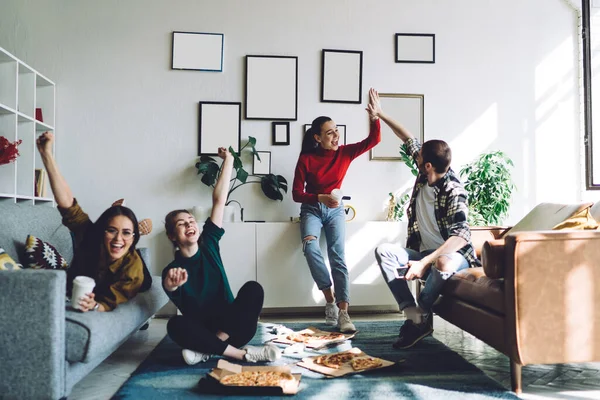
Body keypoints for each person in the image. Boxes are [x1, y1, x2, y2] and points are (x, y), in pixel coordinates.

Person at [369, 89, 481, 349]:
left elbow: (460, 235)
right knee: (384, 251)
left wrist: (424, 264)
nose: (415, 156)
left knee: (441, 261)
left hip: (455, 258)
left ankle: (422, 314)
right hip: (423, 251)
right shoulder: (426, 172)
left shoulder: (454, 190)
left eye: (419, 158)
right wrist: (380, 114)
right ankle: (413, 313)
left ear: (427, 165)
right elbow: (407, 136)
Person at [162, 147, 281, 365]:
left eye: (191, 220)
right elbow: (170, 288)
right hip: (200, 330)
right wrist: (170, 286)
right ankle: (242, 355)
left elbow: (219, 200)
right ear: (172, 236)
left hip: (234, 328)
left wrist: (228, 160)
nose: (189, 224)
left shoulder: (209, 243)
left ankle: (208, 350)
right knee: (174, 326)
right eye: (181, 224)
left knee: (253, 289)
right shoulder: (173, 271)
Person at [292, 88, 382, 333]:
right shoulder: (306, 159)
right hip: (311, 209)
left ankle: (344, 313)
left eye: (336, 130)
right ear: (317, 138)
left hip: (336, 210)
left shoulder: (344, 153)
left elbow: (373, 141)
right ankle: (330, 301)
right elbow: (296, 194)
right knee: (310, 247)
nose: (336, 135)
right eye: (330, 132)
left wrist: (374, 117)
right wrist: (320, 196)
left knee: (337, 255)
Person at [36, 132, 151, 312]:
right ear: (101, 231)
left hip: (133, 279)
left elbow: (111, 301)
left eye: (126, 232)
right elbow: (67, 203)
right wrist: (46, 154)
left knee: (130, 258)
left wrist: (96, 305)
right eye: (111, 230)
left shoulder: (133, 269)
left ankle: (129, 232)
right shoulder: (91, 235)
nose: (117, 238)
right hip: (89, 274)